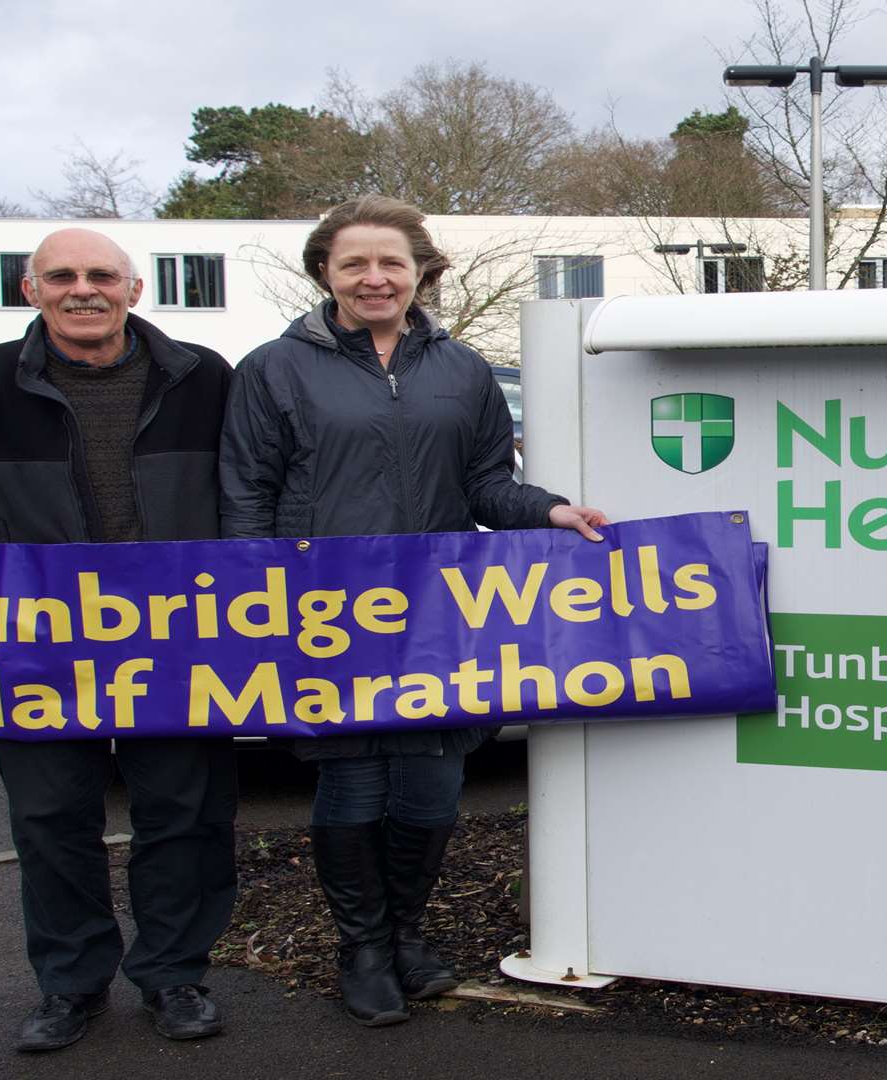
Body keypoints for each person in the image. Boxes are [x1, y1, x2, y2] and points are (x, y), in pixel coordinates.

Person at [219, 195, 609, 1027]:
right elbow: (245, 497)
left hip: (434, 613)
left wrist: (552, 510)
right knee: (354, 785)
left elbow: (484, 487)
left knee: (432, 788)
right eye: (354, 262)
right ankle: (361, 949)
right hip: (322, 615)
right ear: (324, 271)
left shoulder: (462, 370)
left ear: (420, 271)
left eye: (391, 262)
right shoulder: (273, 369)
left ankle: (403, 935)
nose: (373, 277)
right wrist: (258, 602)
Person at [0, 229, 236, 1050]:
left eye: (101, 275)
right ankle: (71, 985)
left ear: (134, 291)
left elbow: (259, 496)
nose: (82, 289)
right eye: (60, 276)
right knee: (50, 819)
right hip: (28, 651)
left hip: (177, 647)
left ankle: (175, 975)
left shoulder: (203, 377)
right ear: (30, 291)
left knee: (185, 816)